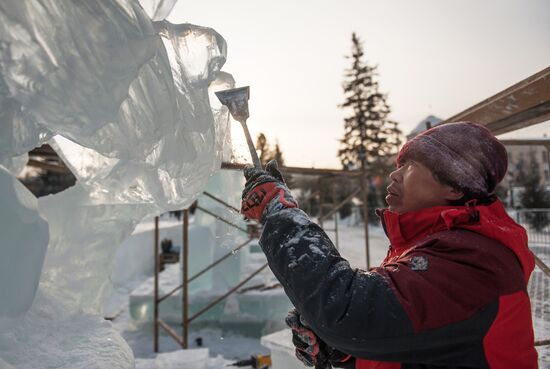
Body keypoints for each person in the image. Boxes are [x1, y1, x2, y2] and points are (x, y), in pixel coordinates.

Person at [240, 122, 538, 369]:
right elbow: (411, 348)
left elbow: (348, 311)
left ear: (454, 186)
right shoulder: (434, 246)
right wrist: (345, 352)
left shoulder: (475, 263)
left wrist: (280, 213)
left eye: (411, 165)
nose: (395, 173)